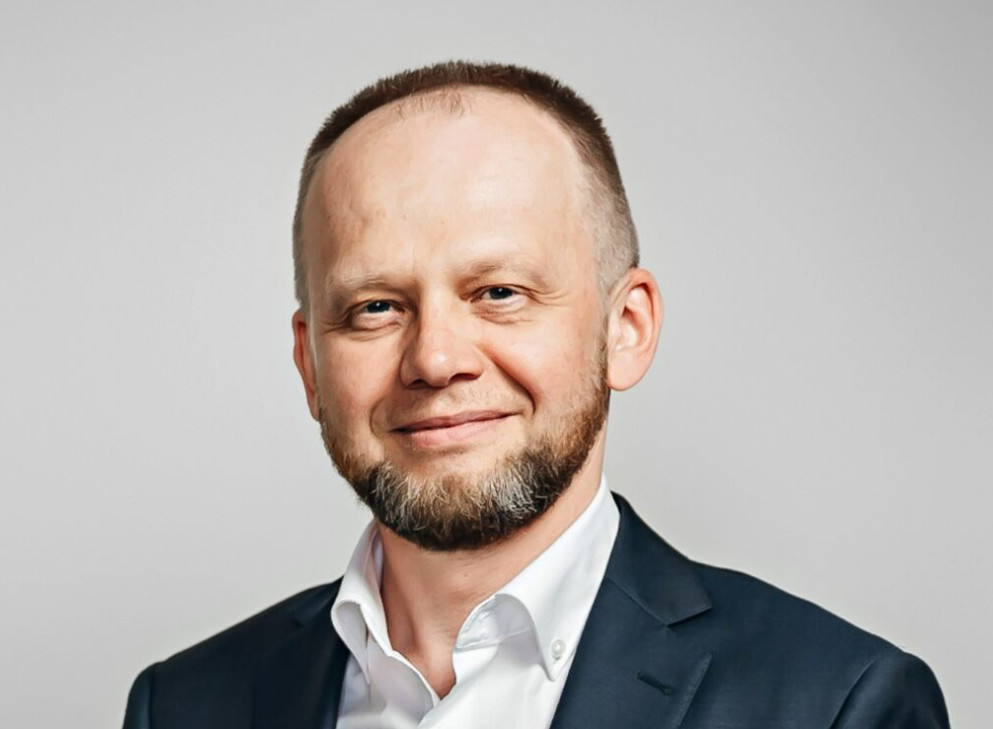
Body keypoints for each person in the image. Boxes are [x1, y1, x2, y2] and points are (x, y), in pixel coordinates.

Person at [122, 61, 949, 729]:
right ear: (310, 364)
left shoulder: (836, 703)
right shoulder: (185, 705)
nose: (435, 358)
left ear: (625, 328)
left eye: (499, 292)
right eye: (375, 307)